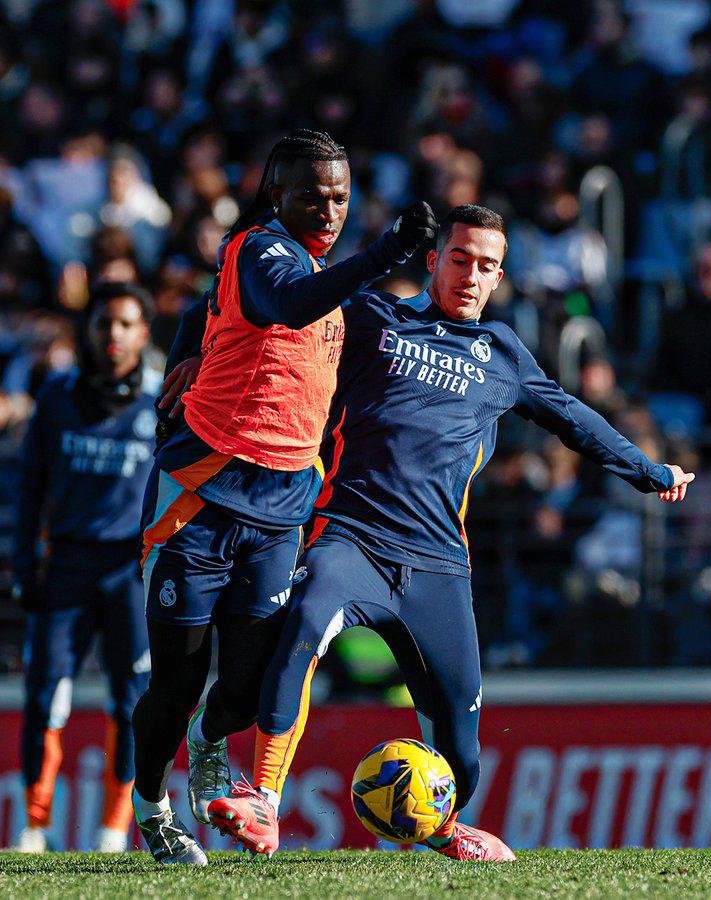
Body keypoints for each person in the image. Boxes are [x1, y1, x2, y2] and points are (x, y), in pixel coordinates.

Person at [205, 205, 694, 862]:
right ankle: (264, 799)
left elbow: (573, 417)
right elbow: (282, 316)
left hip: (438, 565)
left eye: (486, 265)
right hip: (352, 538)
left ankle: (442, 828)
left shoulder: (503, 354)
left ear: (499, 276)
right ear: (433, 260)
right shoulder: (373, 316)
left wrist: (647, 468)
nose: (470, 274)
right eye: (459, 258)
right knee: (303, 623)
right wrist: (192, 353)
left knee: (462, 748)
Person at [131, 128, 437, 865]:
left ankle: (208, 747)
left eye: (339, 197)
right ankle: (152, 810)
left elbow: (202, 314)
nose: (328, 210)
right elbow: (286, 304)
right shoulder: (259, 250)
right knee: (178, 683)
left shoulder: (327, 278)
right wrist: (387, 253)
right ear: (277, 195)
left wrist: (187, 354)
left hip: (281, 509)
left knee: (246, 686)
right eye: (311, 196)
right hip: (201, 498)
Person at [12, 281, 159, 853]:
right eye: (104, 324)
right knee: (47, 695)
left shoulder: (163, 401)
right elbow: (30, 489)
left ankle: (111, 834)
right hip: (67, 567)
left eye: (126, 324)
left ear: (144, 333)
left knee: (133, 703)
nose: (114, 335)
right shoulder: (55, 397)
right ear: (89, 331)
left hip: (133, 570)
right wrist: (25, 564)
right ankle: (34, 827)